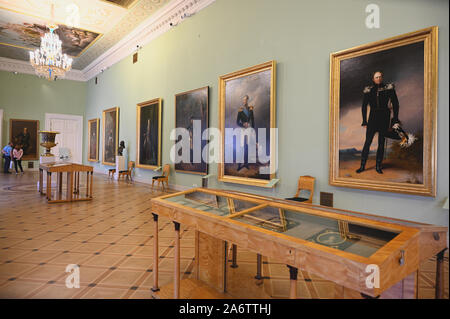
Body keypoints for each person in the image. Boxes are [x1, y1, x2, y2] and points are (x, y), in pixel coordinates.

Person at [356, 71, 400, 174]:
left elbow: (396, 104)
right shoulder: (369, 90)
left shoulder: (389, 88)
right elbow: (364, 106)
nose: (378, 79)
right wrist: (364, 121)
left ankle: (378, 166)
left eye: (380, 77)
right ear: (373, 79)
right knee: (367, 142)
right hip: (373, 117)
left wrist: (395, 119)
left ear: (382, 77)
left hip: (384, 118)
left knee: (381, 143)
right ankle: (362, 166)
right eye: (376, 77)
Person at [236, 95, 255, 171]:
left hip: (249, 130)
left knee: (247, 147)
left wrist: (253, 129)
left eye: (246, 100)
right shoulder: (240, 110)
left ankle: (246, 163)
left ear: (248, 100)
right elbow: (237, 122)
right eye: (243, 100)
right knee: (241, 147)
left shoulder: (251, 109)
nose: (245, 101)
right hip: (243, 130)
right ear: (242, 101)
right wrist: (243, 124)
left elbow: (253, 120)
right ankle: (239, 164)